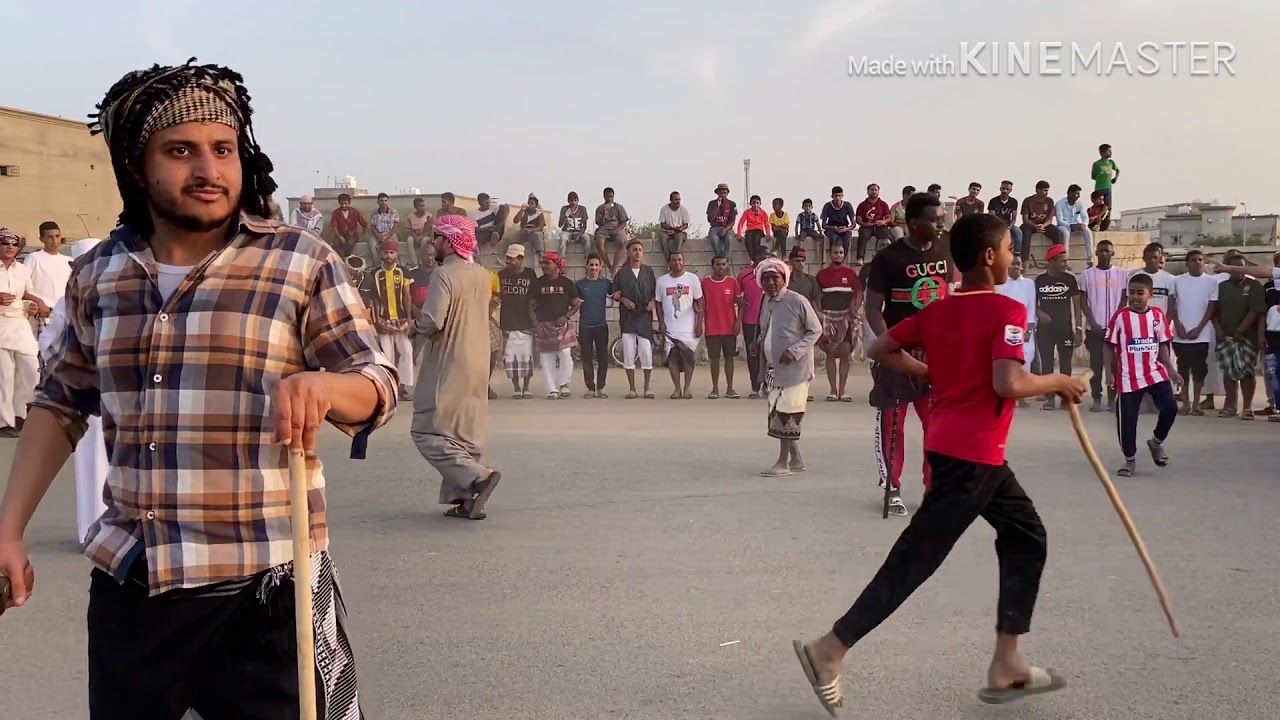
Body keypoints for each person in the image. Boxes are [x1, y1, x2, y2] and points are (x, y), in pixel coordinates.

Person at [0, 59, 398, 719]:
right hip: (134, 593)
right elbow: (60, 403)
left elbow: (376, 384)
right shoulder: (99, 274)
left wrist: (326, 387)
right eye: (180, 151)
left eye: (223, 149)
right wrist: (9, 530)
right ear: (138, 164)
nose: (208, 170)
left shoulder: (299, 262)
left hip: (268, 595)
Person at [792, 213, 1084, 717]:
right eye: (1011, 249)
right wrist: (1059, 380)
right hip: (972, 456)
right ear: (990, 257)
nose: (1014, 257)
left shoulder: (938, 310)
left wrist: (931, 369)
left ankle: (1008, 663)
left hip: (965, 451)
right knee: (915, 560)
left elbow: (878, 348)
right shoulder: (1007, 310)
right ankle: (829, 650)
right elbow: (1008, 384)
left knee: (1026, 536)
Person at [865, 193, 952, 516]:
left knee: (938, 426)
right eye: (935, 219)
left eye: (943, 217)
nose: (942, 223)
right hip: (898, 356)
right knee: (893, 425)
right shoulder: (888, 259)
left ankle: (934, 490)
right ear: (915, 224)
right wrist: (890, 344)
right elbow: (873, 308)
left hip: (937, 357)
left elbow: (950, 297)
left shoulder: (947, 250)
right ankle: (893, 488)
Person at [411, 214, 502, 521]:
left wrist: (410, 326)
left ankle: (478, 476)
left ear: (449, 242)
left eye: (437, 238)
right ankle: (465, 501)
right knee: (465, 432)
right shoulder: (480, 273)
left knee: (426, 429)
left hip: (449, 360)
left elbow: (434, 320)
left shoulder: (443, 274)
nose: (433, 243)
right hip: (479, 358)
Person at [37, 237, 106, 541]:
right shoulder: (70, 298)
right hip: (84, 392)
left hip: (118, 393)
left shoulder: (116, 290)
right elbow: (48, 341)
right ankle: (90, 531)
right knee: (90, 462)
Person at [1105, 273, 1181, 477]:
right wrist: (1109, 372)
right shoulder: (1120, 317)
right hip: (1129, 376)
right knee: (1127, 421)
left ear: (1151, 294)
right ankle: (1129, 460)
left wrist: (1171, 370)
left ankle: (1156, 442)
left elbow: (1163, 344)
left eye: (1140, 293)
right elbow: (1108, 345)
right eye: (1131, 293)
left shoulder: (1157, 315)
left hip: (1154, 372)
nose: (1135, 297)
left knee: (1171, 408)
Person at [756, 257, 822, 477]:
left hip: (796, 371)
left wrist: (794, 351)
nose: (771, 283)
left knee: (787, 414)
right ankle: (796, 459)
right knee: (778, 415)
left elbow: (815, 330)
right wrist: (759, 342)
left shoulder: (798, 300)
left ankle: (783, 463)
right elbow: (768, 329)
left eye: (775, 278)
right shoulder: (766, 302)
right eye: (766, 279)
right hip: (774, 370)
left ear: (784, 278)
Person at [0, 228, 42, 438]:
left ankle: (20, 413)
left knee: (31, 369)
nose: (9, 247)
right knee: (4, 375)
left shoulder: (23, 270)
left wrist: (31, 305)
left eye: (14, 244)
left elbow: (27, 294)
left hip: (20, 323)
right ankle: (5, 421)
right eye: (5, 243)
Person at [1213, 254, 1265, 419]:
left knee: (1247, 373)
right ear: (1228, 269)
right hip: (1226, 337)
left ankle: (1247, 408)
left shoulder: (1254, 286)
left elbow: (1255, 311)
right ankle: (1230, 406)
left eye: (1241, 267)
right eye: (1234, 267)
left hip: (1246, 338)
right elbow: (1213, 311)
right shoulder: (1221, 286)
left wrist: (1241, 331)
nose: (1238, 271)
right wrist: (1219, 330)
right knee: (1229, 372)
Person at [1079, 240, 1129, 411]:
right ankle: (1096, 398)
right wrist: (1092, 322)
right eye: (1100, 251)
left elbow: (1124, 299)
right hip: (1095, 329)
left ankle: (1112, 399)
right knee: (1096, 365)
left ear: (1112, 253)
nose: (1103, 254)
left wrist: (1116, 320)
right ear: (1096, 253)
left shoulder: (1123, 275)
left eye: (1107, 251)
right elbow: (1083, 301)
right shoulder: (1087, 275)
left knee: (1115, 365)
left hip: (1116, 329)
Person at [1169, 249, 1221, 415]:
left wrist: (1199, 328)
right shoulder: (1177, 281)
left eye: (1200, 259)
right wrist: (1177, 324)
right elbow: (1172, 303)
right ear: (1187, 263)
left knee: (1199, 370)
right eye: (1193, 260)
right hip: (1180, 334)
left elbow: (1211, 307)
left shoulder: (1211, 282)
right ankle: (1185, 402)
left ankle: (1197, 403)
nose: (1197, 262)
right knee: (1182, 368)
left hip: (1201, 334)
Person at [364, 239, 415, 402]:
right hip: (384, 319)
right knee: (387, 354)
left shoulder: (404, 272)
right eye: (385, 252)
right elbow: (374, 300)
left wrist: (408, 317)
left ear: (396, 254)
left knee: (407, 351)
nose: (388, 255)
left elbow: (407, 296)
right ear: (380, 253)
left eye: (391, 252)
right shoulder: (374, 273)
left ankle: (403, 386)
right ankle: (389, 386)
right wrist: (377, 320)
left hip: (400, 319)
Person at [1034, 244, 1083, 410]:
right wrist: (1039, 313)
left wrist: (1079, 329)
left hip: (1065, 329)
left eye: (1066, 261)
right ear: (1052, 261)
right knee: (1047, 365)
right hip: (1045, 331)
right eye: (1062, 261)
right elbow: (1031, 303)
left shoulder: (1070, 279)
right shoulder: (1040, 280)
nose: (1065, 264)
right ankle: (1049, 398)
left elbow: (1077, 306)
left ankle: (1065, 398)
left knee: (1066, 365)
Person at [531, 252, 580, 399]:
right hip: (543, 325)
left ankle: (564, 384)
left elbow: (577, 303)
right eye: (542, 263)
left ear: (557, 265)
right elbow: (530, 306)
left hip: (562, 327)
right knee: (547, 359)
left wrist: (566, 316)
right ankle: (552, 389)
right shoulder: (537, 284)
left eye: (547, 263)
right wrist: (536, 326)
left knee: (566, 354)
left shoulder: (567, 284)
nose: (544, 266)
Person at [613, 239, 658, 399]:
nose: (637, 252)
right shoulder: (622, 273)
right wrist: (624, 300)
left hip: (644, 316)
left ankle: (647, 388)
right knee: (629, 353)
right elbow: (615, 293)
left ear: (643, 253)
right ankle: (632, 388)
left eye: (639, 249)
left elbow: (655, 293)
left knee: (646, 352)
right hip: (628, 317)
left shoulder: (648, 272)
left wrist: (652, 303)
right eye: (634, 249)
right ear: (629, 252)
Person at [655, 252, 703, 399]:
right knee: (672, 358)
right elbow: (658, 304)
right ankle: (677, 388)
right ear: (669, 262)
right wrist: (661, 322)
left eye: (680, 260)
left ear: (684, 262)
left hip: (688, 328)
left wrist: (699, 323)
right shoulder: (662, 281)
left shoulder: (692, 279)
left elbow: (700, 301)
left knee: (688, 358)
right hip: (671, 327)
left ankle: (687, 388)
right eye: (674, 260)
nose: (677, 262)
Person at [816, 245, 860, 402]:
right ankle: (832, 391)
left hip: (845, 318)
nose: (838, 255)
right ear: (830, 254)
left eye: (841, 252)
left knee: (845, 353)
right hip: (828, 317)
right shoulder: (821, 275)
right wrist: (819, 313)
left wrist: (853, 310)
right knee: (829, 352)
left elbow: (859, 293)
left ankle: (842, 391)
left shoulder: (850, 274)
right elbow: (816, 297)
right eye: (835, 252)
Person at [497, 244, 538, 398]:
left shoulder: (530, 275)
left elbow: (534, 298)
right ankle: (515, 387)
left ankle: (526, 387)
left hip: (526, 321)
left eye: (511, 258)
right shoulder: (501, 275)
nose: (508, 261)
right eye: (507, 258)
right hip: (508, 321)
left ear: (520, 259)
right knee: (511, 358)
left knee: (526, 357)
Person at [996, 256, 1038, 407]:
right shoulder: (1000, 285)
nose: (1015, 266)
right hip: (1005, 329)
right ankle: (1007, 395)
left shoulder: (1029, 284)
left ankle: (1021, 396)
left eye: (1018, 264)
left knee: (1025, 359)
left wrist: (1030, 330)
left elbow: (1032, 307)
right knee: (1006, 361)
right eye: (1012, 263)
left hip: (1024, 328)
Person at [701, 255, 742, 399]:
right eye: (718, 264)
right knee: (714, 359)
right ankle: (715, 389)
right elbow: (699, 303)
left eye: (723, 264)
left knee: (729, 358)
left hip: (729, 327)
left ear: (727, 266)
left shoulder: (733, 282)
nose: (721, 267)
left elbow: (740, 303)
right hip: (712, 328)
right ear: (712, 266)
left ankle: (730, 389)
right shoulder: (705, 283)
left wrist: (738, 322)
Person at [576, 255, 613, 398]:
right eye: (591, 265)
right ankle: (590, 388)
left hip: (601, 326)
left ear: (600, 267)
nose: (594, 268)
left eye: (596, 265)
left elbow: (616, 293)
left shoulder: (605, 283)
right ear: (586, 267)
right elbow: (573, 302)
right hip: (585, 326)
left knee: (603, 358)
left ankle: (601, 388)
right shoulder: (579, 284)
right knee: (587, 357)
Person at [23, 221, 68, 335]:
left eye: (57, 236)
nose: (55, 241)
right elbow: (23, 286)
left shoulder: (68, 261)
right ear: (42, 239)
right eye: (50, 237)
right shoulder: (34, 258)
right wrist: (39, 303)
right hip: (40, 314)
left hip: (63, 315)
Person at [737, 246, 770, 398]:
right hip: (750, 321)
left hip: (770, 321)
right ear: (755, 257)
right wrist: (739, 301)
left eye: (767, 255)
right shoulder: (744, 275)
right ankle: (755, 387)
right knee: (753, 354)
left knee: (769, 354)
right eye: (763, 255)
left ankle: (768, 385)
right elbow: (736, 295)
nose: (765, 258)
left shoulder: (772, 274)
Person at [1019, 181, 1062, 266]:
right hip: (1031, 224)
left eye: (1047, 191)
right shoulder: (1028, 201)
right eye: (1045, 190)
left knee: (1056, 231)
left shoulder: (1049, 201)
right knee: (1025, 232)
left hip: (1044, 224)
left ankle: (1058, 258)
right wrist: (1035, 226)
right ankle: (1025, 261)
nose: (1046, 193)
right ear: (1038, 190)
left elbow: (1050, 219)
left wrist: (1043, 225)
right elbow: (1025, 219)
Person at [1126, 242, 1175, 316]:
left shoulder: (1170, 279)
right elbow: (1130, 301)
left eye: (1155, 257)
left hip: (1162, 322)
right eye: (1149, 258)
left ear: (1160, 258)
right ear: (1144, 259)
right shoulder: (1134, 276)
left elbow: (1171, 306)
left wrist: (1165, 324)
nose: (1152, 260)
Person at [1055, 184, 1093, 267]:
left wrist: (1083, 224)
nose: (1078, 196)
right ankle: (1065, 259)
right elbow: (1059, 220)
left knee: (1087, 231)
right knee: (1065, 233)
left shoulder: (1080, 204)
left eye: (1079, 194)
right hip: (1063, 225)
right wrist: (1070, 226)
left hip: (1076, 224)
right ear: (1069, 193)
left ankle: (1090, 259)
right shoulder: (1059, 203)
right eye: (1076, 193)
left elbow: (1085, 217)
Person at [594, 187, 630, 272]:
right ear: (604, 196)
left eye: (611, 196)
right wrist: (604, 214)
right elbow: (599, 223)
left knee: (621, 241)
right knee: (599, 242)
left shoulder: (619, 207)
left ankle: (615, 267)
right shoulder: (599, 208)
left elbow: (624, 222)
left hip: (617, 227)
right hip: (604, 228)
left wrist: (616, 229)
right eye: (608, 197)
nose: (609, 199)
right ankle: (609, 266)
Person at [855, 184, 891, 264]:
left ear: (878, 191)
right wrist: (865, 224)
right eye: (872, 190)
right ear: (868, 192)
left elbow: (888, 218)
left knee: (885, 237)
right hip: (867, 227)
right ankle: (860, 258)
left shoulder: (883, 204)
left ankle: (882, 257)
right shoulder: (862, 205)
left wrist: (883, 222)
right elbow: (858, 219)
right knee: (862, 235)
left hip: (880, 226)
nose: (874, 192)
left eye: (875, 190)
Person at [820, 186, 855, 266]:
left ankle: (842, 260)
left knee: (847, 239)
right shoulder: (827, 206)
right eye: (836, 196)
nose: (837, 198)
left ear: (842, 196)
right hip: (831, 228)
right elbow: (824, 225)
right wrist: (833, 228)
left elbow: (853, 224)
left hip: (844, 228)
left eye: (839, 196)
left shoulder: (847, 205)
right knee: (834, 238)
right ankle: (834, 259)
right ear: (832, 196)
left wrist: (846, 229)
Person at [508, 194, 547, 264]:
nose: (530, 205)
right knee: (514, 237)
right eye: (529, 203)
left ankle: (541, 256)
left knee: (537, 235)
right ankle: (512, 256)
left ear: (536, 205)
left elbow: (540, 227)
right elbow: (516, 221)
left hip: (535, 231)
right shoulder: (524, 213)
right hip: (524, 231)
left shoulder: (539, 214)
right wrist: (521, 210)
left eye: (532, 203)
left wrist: (531, 230)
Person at [988, 181, 1022, 258]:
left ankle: (1017, 255)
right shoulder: (993, 201)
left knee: (1018, 232)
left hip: (1008, 224)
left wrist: (1009, 227)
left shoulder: (1013, 202)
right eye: (1003, 189)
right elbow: (991, 216)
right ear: (1000, 189)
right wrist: (1001, 226)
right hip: (995, 224)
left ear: (1010, 190)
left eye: (1007, 189)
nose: (1005, 191)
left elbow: (1014, 218)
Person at [706, 183, 738, 263]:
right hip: (715, 228)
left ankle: (726, 261)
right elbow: (710, 219)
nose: (723, 195)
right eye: (721, 193)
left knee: (729, 239)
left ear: (727, 193)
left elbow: (732, 221)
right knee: (714, 239)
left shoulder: (732, 204)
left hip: (727, 228)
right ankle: (719, 257)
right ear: (717, 193)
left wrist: (725, 229)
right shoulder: (712, 203)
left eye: (724, 193)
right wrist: (717, 206)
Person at [329, 192, 368, 257]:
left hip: (352, 235)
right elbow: (334, 227)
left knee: (350, 242)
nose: (344, 206)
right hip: (340, 234)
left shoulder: (355, 212)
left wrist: (362, 235)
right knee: (335, 244)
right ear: (339, 203)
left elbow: (365, 224)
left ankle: (346, 258)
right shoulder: (336, 213)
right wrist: (340, 237)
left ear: (349, 203)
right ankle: (337, 260)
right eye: (342, 203)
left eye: (345, 203)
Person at [787, 245, 822, 314]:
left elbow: (817, 302)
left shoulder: (811, 280)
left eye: (803, 261)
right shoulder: (785, 280)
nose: (801, 264)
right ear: (791, 262)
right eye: (797, 261)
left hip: (807, 315)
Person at [369, 192, 400, 266]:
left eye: (385, 201)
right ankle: (377, 265)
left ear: (388, 201)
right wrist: (378, 236)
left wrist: (386, 237)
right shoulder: (374, 213)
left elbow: (395, 227)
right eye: (381, 201)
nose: (384, 203)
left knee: (392, 245)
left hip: (390, 235)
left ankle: (395, 264)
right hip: (378, 235)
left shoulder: (393, 212)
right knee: (371, 243)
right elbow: (372, 227)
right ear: (378, 202)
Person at [658, 190, 691, 261]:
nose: (678, 201)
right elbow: (662, 224)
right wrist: (671, 229)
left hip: (680, 232)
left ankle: (676, 259)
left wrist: (677, 230)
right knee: (663, 238)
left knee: (679, 238)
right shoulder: (664, 209)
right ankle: (669, 261)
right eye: (676, 200)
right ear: (671, 200)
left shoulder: (683, 209)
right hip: (667, 231)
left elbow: (686, 224)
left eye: (679, 199)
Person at [737, 195, 771, 261]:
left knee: (756, 241)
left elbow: (767, 224)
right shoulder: (747, 212)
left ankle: (755, 259)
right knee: (748, 242)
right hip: (750, 230)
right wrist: (739, 234)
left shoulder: (763, 213)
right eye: (754, 203)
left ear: (760, 204)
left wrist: (768, 234)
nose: (755, 205)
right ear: (750, 204)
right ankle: (753, 259)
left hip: (759, 230)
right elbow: (741, 223)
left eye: (757, 203)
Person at [1091, 143, 1119, 223]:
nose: (1111, 153)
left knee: (1108, 207)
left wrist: (1115, 178)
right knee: (1098, 206)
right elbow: (1093, 176)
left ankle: (1106, 221)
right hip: (1100, 187)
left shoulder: (1111, 162)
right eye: (1108, 151)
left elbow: (1117, 170)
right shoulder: (1097, 164)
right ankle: (1096, 221)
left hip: (1108, 187)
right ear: (1102, 153)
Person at [405, 196, 434, 268]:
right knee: (409, 240)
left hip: (426, 236)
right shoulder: (410, 216)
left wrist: (422, 237)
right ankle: (414, 263)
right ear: (416, 207)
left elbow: (430, 230)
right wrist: (416, 237)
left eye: (423, 205)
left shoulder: (429, 216)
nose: (423, 208)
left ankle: (422, 262)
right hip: (415, 235)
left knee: (424, 240)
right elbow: (409, 229)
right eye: (421, 206)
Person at [558, 191, 590, 256]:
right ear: (568, 201)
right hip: (567, 232)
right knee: (563, 239)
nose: (573, 203)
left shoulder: (582, 209)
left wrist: (579, 235)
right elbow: (560, 225)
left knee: (587, 239)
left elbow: (584, 226)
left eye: (575, 200)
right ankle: (561, 259)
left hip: (578, 231)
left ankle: (588, 258)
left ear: (578, 200)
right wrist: (566, 214)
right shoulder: (564, 209)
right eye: (571, 201)